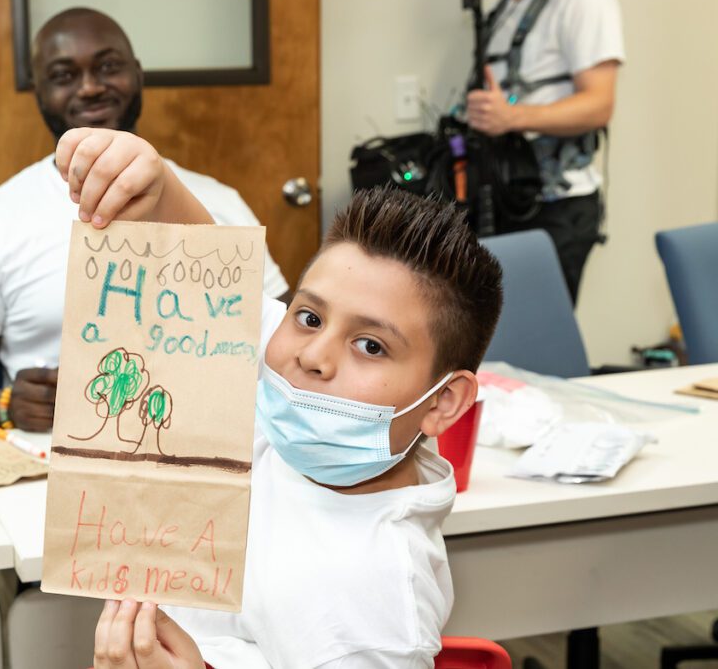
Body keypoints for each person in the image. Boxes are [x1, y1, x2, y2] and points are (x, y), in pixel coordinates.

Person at [50, 129, 503, 668]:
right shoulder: (285, 379)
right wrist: (156, 183)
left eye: (371, 346)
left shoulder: (377, 609)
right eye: (309, 316)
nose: (313, 356)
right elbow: (211, 280)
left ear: (443, 402)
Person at [0, 8, 289, 434]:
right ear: (38, 92)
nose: (91, 87)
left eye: (108, 67)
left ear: (139, 75)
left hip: (209, 454)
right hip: (56, 465)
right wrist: (6, 403)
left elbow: (286, 343)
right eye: (63, 75)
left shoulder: (221, 205)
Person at [466, 0, 624, 304]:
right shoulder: (505, 7)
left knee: (539, 338)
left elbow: (599, 104)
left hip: (556, 206)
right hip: (506, 202)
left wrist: (510, 117)